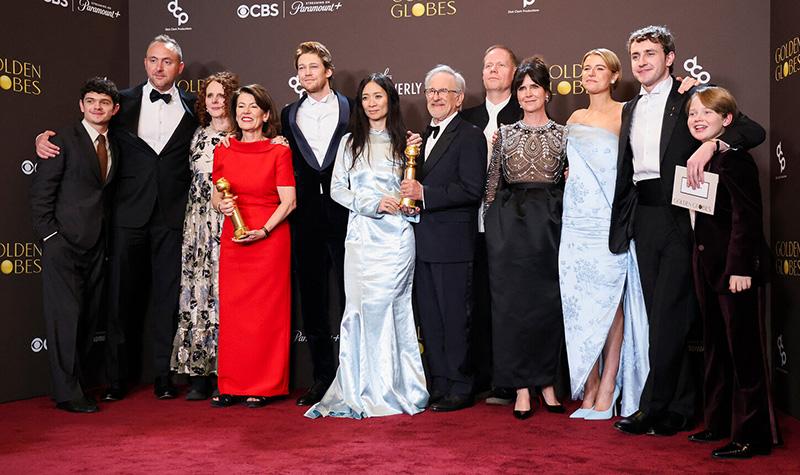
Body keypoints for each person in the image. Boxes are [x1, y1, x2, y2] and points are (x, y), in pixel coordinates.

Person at [610, 25, 766, 436]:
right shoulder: (630, 107)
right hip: (643, 217)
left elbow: (753, 131)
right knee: (662, 316)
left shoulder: (690, 97)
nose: (641, 62)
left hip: (682, 216)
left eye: (650, 53)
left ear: (669, 58)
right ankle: (678, 407)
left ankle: (654, 406)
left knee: (670, 315)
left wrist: (714, 144)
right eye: (636, 55)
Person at [35, 34, 198, 400]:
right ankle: (117, 378)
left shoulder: (195, 106)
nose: (159, 67)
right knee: (119, 300)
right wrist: (42, 140)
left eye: (167, 61)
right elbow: (83, 134)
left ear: (180, 67)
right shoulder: (120, 102)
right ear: (144, 63)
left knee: (168, 299)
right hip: (126, 215)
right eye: (153, 59)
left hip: (173, 217)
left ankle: (164, 376)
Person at [305, 73, 428, 419]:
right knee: (359, 310)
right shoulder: (349, 143)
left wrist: (406, 206)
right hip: (361, 239)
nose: (372, 103)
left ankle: (398, 388)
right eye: (366, 98)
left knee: (392, 308)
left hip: (397, 238)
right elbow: (337, 190)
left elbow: (414, 190)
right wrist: (372, 203)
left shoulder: (407, 142)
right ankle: (359, 387)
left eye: (378, 96)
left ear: (390, 99)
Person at [685, 86, 779, 458]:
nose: (697, 119)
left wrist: (740, 268)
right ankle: (719, 423)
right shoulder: (698, 160)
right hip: (707, 267)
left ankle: (752, 435)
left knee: (744, 352)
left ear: (726, 120)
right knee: (716, 349)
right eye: (692, 113)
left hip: (735, 270)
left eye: (706, 112)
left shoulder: (735, 160)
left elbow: (746, 218)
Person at [559, 49, 649, 421]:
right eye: (586, 68)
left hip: (609, 222)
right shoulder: (574, 118)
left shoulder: (628, 112)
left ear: (614, 76)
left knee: (611, 303)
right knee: (581, 306)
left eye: (600, 68)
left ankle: (609, 385)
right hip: (575, 223)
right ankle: (590, 384)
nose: (591, 73)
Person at [30, 77, 120, 413]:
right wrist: (50, 237)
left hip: (96, 246)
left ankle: (77, 384)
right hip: (63, 244)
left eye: (104, 102)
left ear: (114, 109)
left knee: (86, 319)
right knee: (64, 320)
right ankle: (67, 393)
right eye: (91, 101)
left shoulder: (115, 144)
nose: (97, 107)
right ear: (81, 105)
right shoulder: (60, 140)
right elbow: (41, 193)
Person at [483, 58, 567, 420]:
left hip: (550, 226)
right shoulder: (505, 133)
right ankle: (520, 387)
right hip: (510, 229)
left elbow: (571, 182)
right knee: (511, 307)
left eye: (534, 86)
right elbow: (491, 186)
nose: (528, 93)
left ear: (547, 92)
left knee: (548, 304)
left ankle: (547, 384)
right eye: (522, 87)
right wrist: (494, 228)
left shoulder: (565, 134)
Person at [400, 65, 486, 412]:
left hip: (453, 243)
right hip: (422, 242)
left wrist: (424, 193)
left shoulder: (470, 136)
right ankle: (439, 382)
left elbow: (472, 189)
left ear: (459, 98)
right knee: (431, 318)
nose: (436, 97)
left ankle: (461, 385)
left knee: (454, 318)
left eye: (443, 91)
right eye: (431, 91)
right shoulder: (421, 138)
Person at [210, 84, 296, 408]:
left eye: (253, 106)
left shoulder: (279, 151)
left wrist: (264, 230)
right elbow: (217, 196)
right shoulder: (223, 150)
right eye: (240, 106)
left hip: (269, 240)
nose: (246, 112)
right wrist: (222, 206)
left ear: (265, 114)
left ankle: (265, 385)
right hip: (234, 239)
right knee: (235, 314)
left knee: (266, 315)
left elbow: (289, 201)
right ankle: (231, 384)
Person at [281, 42, 351, 407]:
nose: (306, 73)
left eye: (313, 66)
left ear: (328, 70)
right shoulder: (288, 114)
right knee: (313, 300)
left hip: (346, 214)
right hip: (305, 217)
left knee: (351, 297)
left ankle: (354, 375)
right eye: (301, 68)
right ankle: (322, 378)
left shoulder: (352, 108)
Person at [170, 71, 239, 401]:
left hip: (230, 220)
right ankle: (199, 372)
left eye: (222, 95)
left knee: (225, 293)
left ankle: (229, 371)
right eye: (210, 95)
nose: (215, 101)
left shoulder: (243, 133)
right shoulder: (196, 133)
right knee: (198, 293)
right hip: (198, 224)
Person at [459, 44, 521, 406]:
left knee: (508, 303)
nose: (493, 70)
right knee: (475, 301)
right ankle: (478, 376)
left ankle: (509, 379)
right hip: (469, 225)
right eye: (487, 65)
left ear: (514, 73)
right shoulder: (465, 117)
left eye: (500, 65)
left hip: (511, 224)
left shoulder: (524, 111)